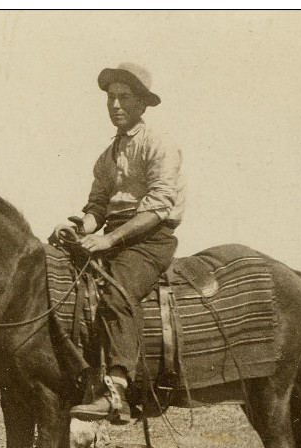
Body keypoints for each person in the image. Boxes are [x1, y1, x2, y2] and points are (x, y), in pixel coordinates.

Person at [60, 62, 186, 424]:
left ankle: (117, 391)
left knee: (117, 293)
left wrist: (109, 239)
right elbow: (98, 206)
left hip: (149, 238)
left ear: (142, 104)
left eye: (124, 97)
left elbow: (160, 206)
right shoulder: (107, 155)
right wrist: (82, 228)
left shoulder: (158, 145)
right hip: (112, 236)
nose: (115, 104)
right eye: (110, 97)